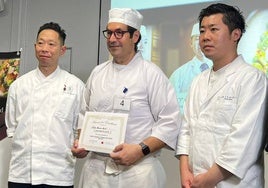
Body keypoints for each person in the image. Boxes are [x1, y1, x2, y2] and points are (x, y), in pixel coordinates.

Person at [71, 8, 181, 188]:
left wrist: (140, 150)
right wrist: (81, 142)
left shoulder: (151, 74)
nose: (112, 39)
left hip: (138, 172)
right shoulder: (98, 73)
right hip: (96, 172)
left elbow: (170, 122)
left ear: (135, 36)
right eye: (109, 33)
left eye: (119, 33)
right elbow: (84, 114)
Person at [176, 3, 267, 188]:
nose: (205, 37)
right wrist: (185, 172)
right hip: (194, 180)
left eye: (213, 30)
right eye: (202, 31)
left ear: (236, 34)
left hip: (233, 183)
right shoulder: (198, 81)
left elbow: (244, 140)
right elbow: (186, 130)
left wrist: (209, 179)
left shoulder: (252, 79)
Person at [5, 22, 84, 188]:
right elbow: (12, 128)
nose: (44, 49)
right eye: (40, 43)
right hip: (22, 174)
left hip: (58, 174)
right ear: (35, 47)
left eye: (51, 44)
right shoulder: (18, 86)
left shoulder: (75, 86)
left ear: (62, 50)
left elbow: (81, 128)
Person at [169, 22, 212, 112]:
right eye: (197, 39)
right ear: (190, 43)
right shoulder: (178, 75)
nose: (201, 42)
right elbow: (169, 107)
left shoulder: (224, 70)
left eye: (205, 39)